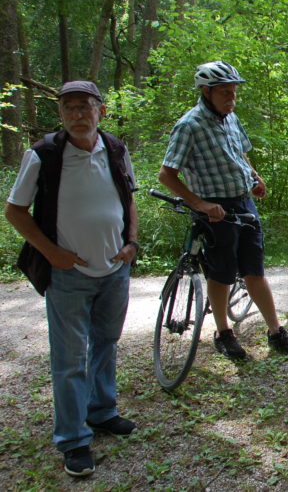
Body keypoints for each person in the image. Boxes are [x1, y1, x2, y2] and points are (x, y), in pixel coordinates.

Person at [5, 81, 139, 477]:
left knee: (106, 343)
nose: (77, 114)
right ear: (60, 114)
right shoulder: (43, 154)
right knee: (68, 360)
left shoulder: (115, 149)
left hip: (115, 269)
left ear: (101, 111)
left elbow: (128, 197)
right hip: (68, 274)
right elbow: (15, 211)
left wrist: (131, 243)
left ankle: (101, 411)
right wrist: (52, 254)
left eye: (85, 106)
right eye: (69, 108)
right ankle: (73, 439)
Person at [159, 61, 288, 359]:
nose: (231, 97)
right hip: (215, 210)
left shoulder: (231, 118)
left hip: (243, 202)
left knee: (255, 269)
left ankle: (275, 332)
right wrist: (199, 204)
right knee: (222, 273)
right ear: (206, 92)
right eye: (225, 92)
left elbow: (239, 153)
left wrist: (254, 177)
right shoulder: (189, 126)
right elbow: (166, 175)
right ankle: (223, 332)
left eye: (234, 91)